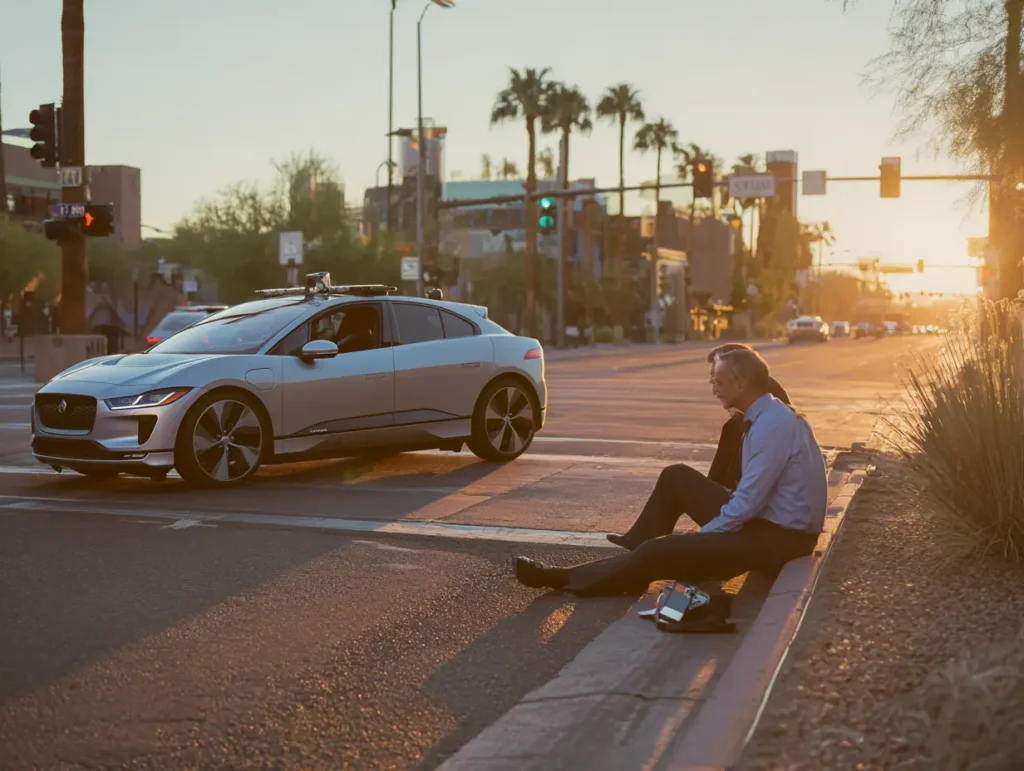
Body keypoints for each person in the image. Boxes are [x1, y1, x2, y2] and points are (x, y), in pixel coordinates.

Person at [513, 348, 827, 596]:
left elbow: (747, 505)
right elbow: (748, 500)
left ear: (740, 384)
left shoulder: (772, 426)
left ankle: (564, 578)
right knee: (676, 476)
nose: (713, 388)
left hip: (779, 543)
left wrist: (702, 538)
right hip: (767, 524)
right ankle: (631, 564)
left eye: (718, 381)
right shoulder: (768, 415)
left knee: (659, 551)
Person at [705, 343, 792, 492]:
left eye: (716, 363)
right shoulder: (749, 382)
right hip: (750, 496)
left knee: (731, 429)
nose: (712, 374)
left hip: (756, 499)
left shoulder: (762, 391)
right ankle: (714, 488)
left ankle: (716, 488)